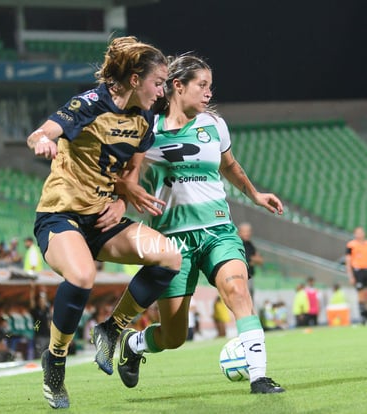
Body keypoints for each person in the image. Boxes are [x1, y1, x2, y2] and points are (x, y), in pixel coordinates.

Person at [93, 55, 285, 393]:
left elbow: (229, 165)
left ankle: (259, 377)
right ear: (177, 86)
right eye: (203, 85)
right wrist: (122, 197)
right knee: (173, 336)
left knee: (238, 291)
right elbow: (129, 177)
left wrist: (255, 194)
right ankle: (133, 345)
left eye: (211, 86)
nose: (209, 93)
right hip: (173, 244)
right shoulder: (148, 129)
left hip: (218, 231)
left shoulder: (215, 125)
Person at [26, 36, 181, 409]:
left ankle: (111, 330)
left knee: (169, 257)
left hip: (101, 217)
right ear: (133, 79)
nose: (162, 91)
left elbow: (131, 170)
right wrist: (43, 142)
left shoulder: (144, 120)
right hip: (60, 216)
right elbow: (42, 131)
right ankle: (56, 361)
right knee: (81, 277)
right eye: (158, 82)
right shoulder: (89, 105)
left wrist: (122, 196)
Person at [345, 226, 367, 325]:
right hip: (358, 271)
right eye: (357, 232)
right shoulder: (351, 245)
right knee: (361, 294)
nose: (360, 234)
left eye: (361, 232)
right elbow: (348, 261)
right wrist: (351, 275)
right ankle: (363, 317)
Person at [238, 222, 264, 301]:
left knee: (250, 300)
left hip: (250, 276)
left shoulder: (250, 244)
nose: (248, 233)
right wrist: (253, 259)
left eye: (249, 231)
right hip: (240, 277)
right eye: (245, 231)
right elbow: (244, 259)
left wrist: (253, 259)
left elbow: (260, 260)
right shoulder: (238, 243)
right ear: (239, 232)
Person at [30, 283, 52, 359]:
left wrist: (44, 291)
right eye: (41, 300)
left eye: (43, 299)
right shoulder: (36, 310)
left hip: (48, 335)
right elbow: (32, 301)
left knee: (48, 353)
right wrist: (32, 290)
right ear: (38, 301)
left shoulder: (47, 310)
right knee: (39, 354)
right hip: (39, 335)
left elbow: (49, 321)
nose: (42, 301)